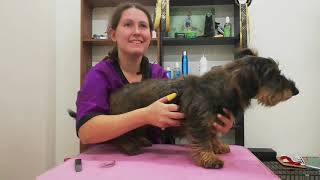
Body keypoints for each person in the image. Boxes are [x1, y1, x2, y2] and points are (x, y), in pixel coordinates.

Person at [76, 2, 234, 145]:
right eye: (128, 25)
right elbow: (86, 133)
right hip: (112, 162)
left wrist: (213, 122)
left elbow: (179, 121)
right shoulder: (99, 75)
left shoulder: (158, 74)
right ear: (113, 34)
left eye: (143, 26)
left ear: (150, 34)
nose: (137, 32)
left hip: (155, 161)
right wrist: (145, 115)